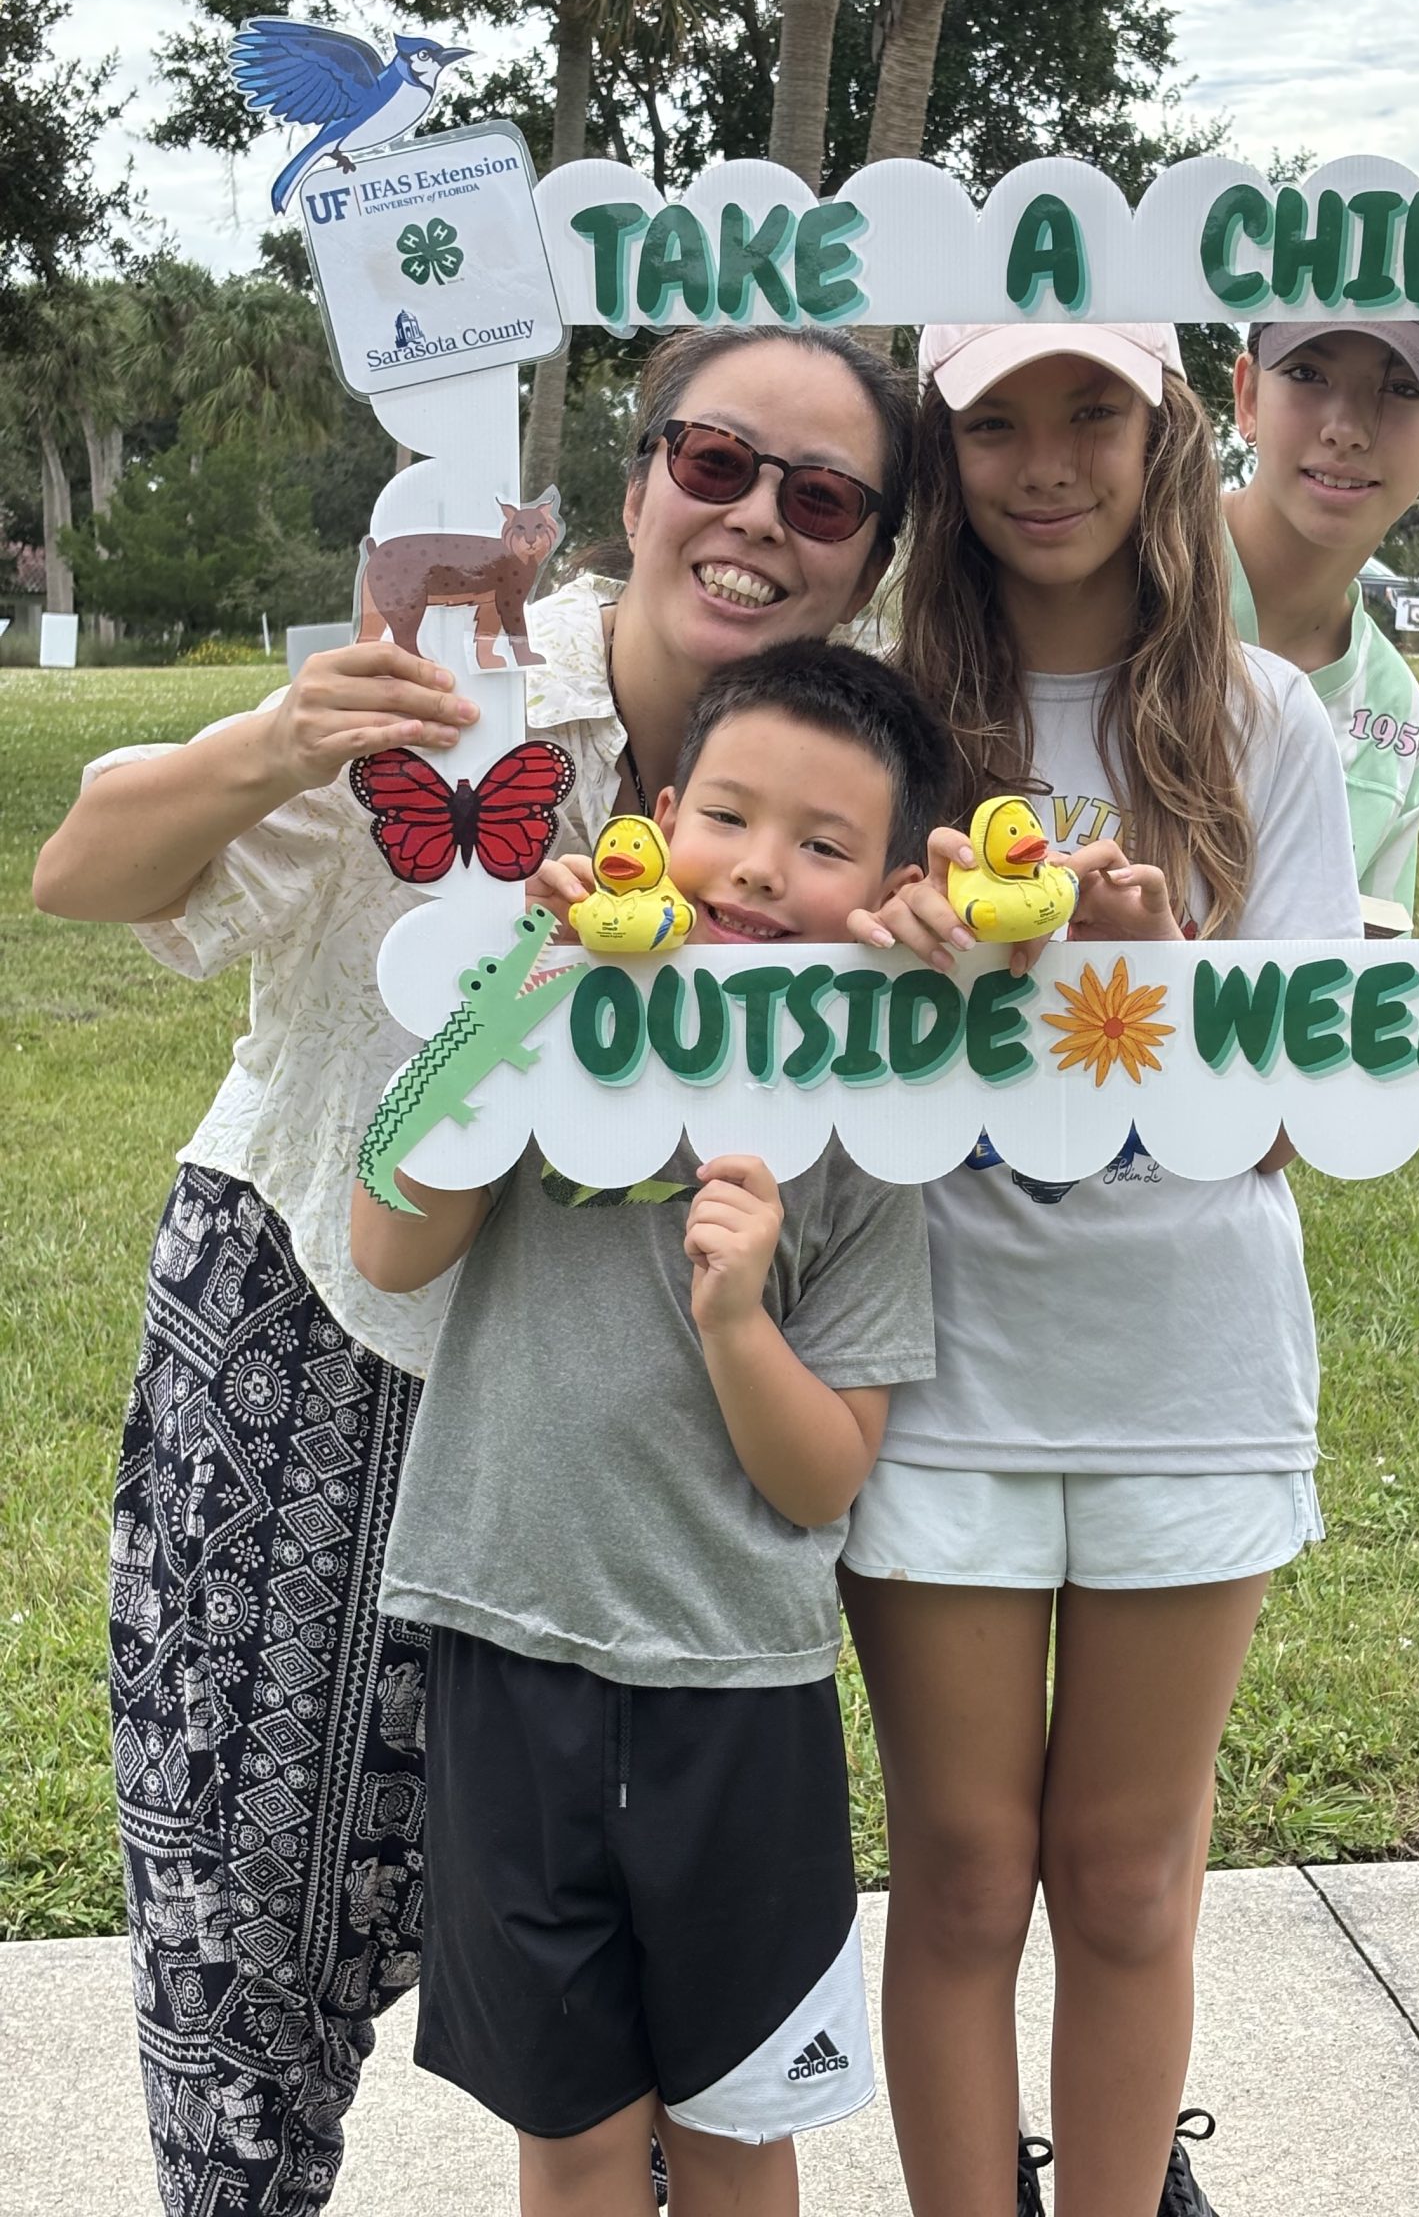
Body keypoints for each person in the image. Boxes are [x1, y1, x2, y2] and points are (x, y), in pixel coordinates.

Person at [30, 324, 915, 2217]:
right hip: (318, 1319)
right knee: (257, 1925)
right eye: (716, 461)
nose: (758, 518)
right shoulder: (460, 681)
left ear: (870, 554)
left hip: (615, 1412)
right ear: (639, 478)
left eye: (825, 496)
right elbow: (81, 874)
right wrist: (289, 733)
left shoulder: (839, 797)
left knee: (653, 2013)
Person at [838, 322, 1364, 2217]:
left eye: (1093, 417)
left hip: (1186, 1369)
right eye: (995, 423)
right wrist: (876, 949)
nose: (1047, 463)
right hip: (936, 1362)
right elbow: (784, 1043)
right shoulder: (878, 716)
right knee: (965, 1874)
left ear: (1167, 436)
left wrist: (1148, 983)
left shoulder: (1264, 721)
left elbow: (1295, 1114)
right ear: (942, 451)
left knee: (1132, 1878)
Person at [353, 641, 948, 2217]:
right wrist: (518, 1004)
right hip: (509, 1646)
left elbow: (826, 1475)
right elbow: (389, 1240)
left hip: (735, 1687)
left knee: (741, 2125)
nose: (759, 870)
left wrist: (740, 1321)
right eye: (728, 819)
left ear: (892, 890)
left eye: (824, 845)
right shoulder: (546, 1019)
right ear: (657, 818)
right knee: (571, 2133)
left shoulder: (867, 1142)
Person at [1222, 321, 1419, 932]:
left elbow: (1363, 968)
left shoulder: (1396, 714)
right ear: (1248, 396)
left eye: (1401, 388)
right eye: (1306, 374)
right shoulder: (1129, 580)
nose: (1345, 429)